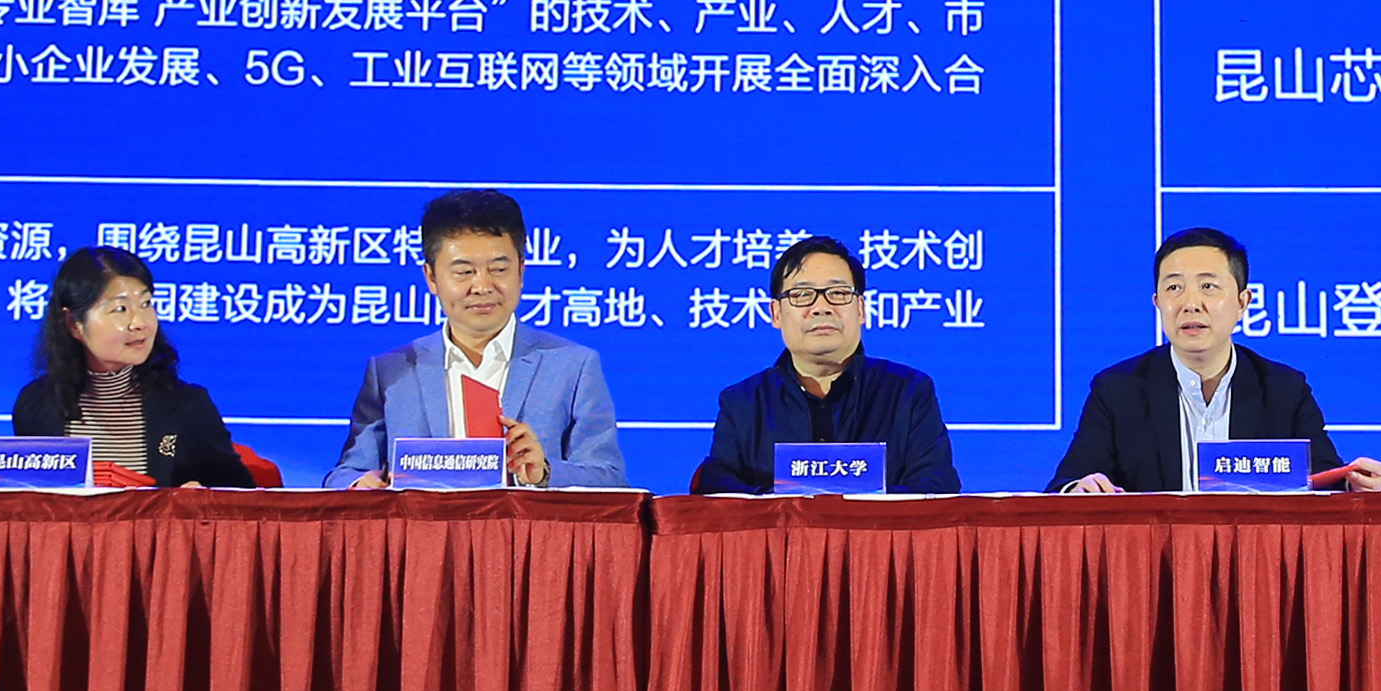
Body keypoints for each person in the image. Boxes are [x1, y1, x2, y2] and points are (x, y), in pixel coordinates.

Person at [1054, 226, 1381, 493]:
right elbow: (1068, 484)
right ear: (1157, 302)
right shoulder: (1117, 390)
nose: (1190, 303)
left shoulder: (1284, 389)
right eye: (1174, 288)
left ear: (1243, 302)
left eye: (1208, 286)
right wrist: (1080, 489)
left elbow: (1325, 481)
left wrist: (1358, 485)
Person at [331, 190, 627, 488]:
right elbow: (345, 474)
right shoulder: (390, 371)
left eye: (498, 269)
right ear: (431, 278)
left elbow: (610, 479)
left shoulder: (572, 366)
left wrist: (545, 473)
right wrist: (360, 485)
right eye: (464, 272)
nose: (483, 286)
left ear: (521, 271)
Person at [692, 234, 960, 494]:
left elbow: (937, 487)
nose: (821, 307)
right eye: (802, 294)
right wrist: (792, 504)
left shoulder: (908, 393)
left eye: (838, 293)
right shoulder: (743, 403)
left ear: (861, 309)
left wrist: (842, 507)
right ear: (776, 313)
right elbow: (718, 492)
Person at [9, 246, 257, 488]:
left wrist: (200, 498)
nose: (139, 322)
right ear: (74, 324)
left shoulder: (188, 406)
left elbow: (241, 500)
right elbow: (28, 502)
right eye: (120, 309)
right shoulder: (37, 405)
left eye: (146, 304)